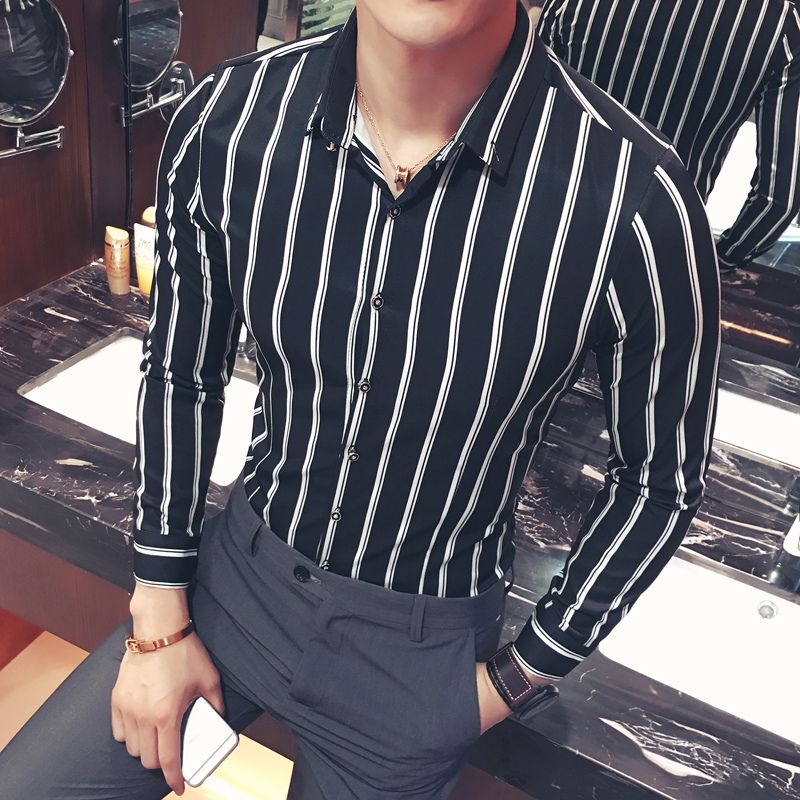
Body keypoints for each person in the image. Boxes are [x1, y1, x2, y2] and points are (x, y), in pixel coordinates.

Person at [0, 1, 720, 798]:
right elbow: (181, 368)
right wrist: (158, 609)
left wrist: (515, 679)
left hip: (419, 655)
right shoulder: (232, 118)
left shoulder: (634, 197)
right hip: (239, 581)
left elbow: (659, 480)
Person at [536, 0, 800, 273]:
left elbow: (521, 113)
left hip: (544, 232)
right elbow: (778, 200)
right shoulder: (778, 26)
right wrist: (716, 264)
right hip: (651, 261)